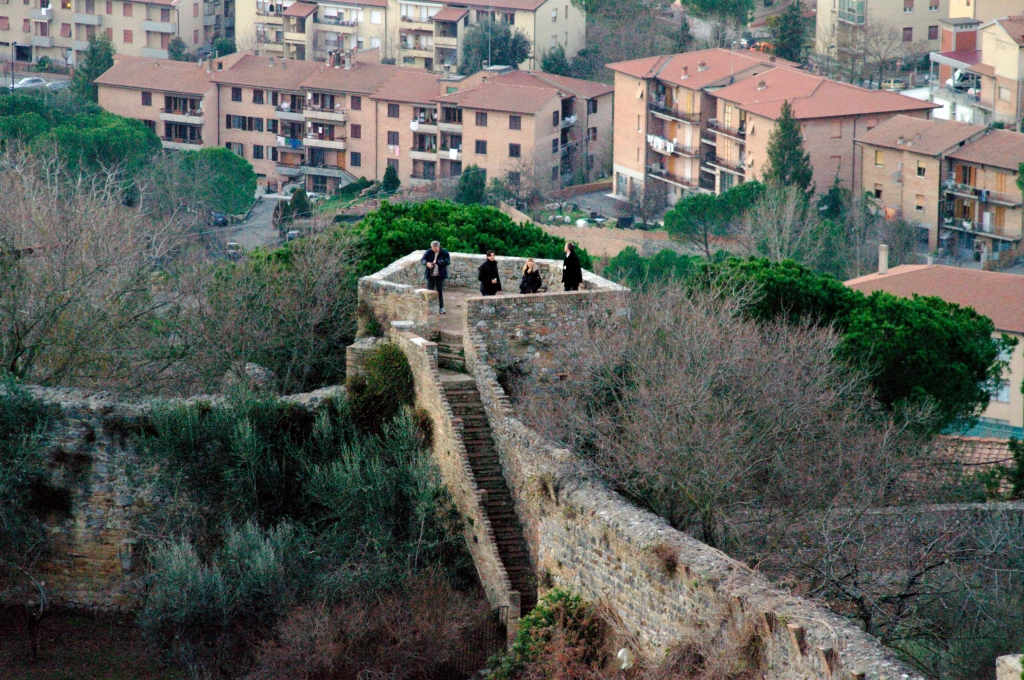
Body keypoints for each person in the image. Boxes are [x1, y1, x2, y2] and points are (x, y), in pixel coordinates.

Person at [421, 240, 450, 313]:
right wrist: (427, 263)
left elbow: (447, 261)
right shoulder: (429, 252)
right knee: (429, 291)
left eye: (435, 248)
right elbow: (422, 260)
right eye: (432, 248)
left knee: (439, 291)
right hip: (430, 275)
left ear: (438, 247)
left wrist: (438, 262)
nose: (433, 250)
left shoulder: (444, 252)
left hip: (439, 275)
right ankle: (428, 307)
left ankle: (441, 307)